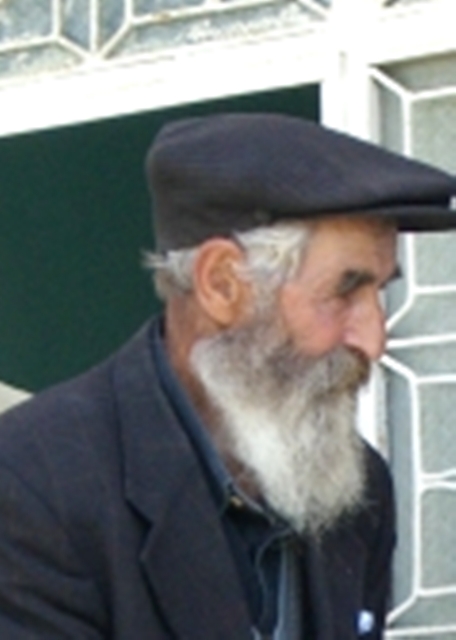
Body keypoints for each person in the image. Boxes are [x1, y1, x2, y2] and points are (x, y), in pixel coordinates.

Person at [0, 113, 455, 640]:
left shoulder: (360, 492)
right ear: (221, 283)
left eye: (378, 293)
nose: (374, 341)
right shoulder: (30, 488)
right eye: (344, 291)